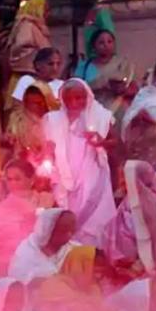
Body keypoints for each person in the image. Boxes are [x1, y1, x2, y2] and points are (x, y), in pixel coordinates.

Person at [43, 79, 117, 246]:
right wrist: (47, 151)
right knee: (68, 213)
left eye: (79, 98)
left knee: (95, 216)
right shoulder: (52, 119)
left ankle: (97, 251)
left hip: (92, 172)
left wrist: (100, 141)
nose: (74, 103)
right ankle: (69, 251)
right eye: (68, 99)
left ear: (88, 96)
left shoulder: (101, 116)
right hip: (64, 174)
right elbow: (45, 147)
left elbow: (115, 142)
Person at [0, 160, 41, 278]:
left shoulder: (44, 201)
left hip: (40, 265)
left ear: (31, 179)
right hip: (9, 266)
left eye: (17, 179)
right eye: (9, 179)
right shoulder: (0, 208)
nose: (12, 184)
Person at [102, 160, 156, 275]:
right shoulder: (132, 201)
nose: (122, 182)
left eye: (124, 179)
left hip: (141, 258)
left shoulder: (152, 201)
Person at [73, 8, 136, 118]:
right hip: (91, 114)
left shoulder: (123, 63)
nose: (106, 45)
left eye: (109, 41)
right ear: (94, 46)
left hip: (117, 112)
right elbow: (75, 90)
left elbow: (133, 88)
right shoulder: (84, 66)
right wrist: (101, 84)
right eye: (101, 43)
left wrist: (122, 88)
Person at [8, 208, 78, 284]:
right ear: (48, 229)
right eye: (63, 230)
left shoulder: (75, 250)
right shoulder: (26, 252)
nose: (69, 235)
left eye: (72, 230)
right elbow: (17, 281)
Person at [121, 55, 156, 168]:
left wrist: (155, 123)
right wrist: (137, 117)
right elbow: (128, 118)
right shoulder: (144, 93)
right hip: (143, 148)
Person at [2, 0, 51, 101]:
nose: (48, 13)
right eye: (45, 10)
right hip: (27, 79)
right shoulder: (29, 27)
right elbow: (23, 47)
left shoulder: (24, 26)